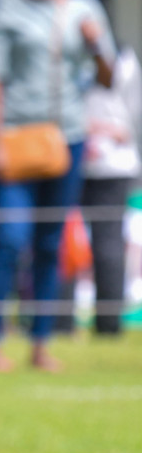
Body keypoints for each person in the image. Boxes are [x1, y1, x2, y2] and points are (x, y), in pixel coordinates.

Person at [0, 0, 115, 372]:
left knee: (50, 241)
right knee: (12, 237)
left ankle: (40, 341)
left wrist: (97, 48)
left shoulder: (84, 7)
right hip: (16, 137)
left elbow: (107, 80)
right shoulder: (8, 6)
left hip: (66, 138)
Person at [81, 46, 140, 336]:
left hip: (112, 163)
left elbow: (132, 118)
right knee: (64, 240)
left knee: (108, 245)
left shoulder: (124, 60)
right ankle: (59, 321)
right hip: (66, 157)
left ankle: (107, 323)